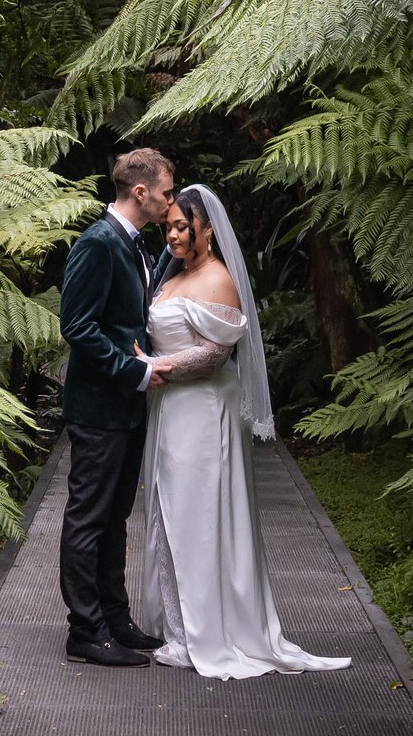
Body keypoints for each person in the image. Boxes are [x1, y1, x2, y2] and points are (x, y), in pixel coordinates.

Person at [137, 183, 351, 679]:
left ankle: (208, 632)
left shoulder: (218, 280)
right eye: (168, 227)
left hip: (202, 409)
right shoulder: (175, 276)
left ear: (208, 229)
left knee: (199, 516)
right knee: (170, 512)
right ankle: (181, 630)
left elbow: (214, 356)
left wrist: (152, 366)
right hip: (170, 408)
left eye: (182, 226)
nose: (172, 236)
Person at [54, 147, 176, 666]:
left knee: (116, 517)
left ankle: (115, 619)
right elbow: (77, 327)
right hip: (98, 408)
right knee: (89, 518)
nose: (171, 202)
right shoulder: (97, 243)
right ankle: (84, 631)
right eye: (167, 193)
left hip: (125, 407)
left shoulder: (135, 244)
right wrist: (136, 371)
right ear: (141, 192)